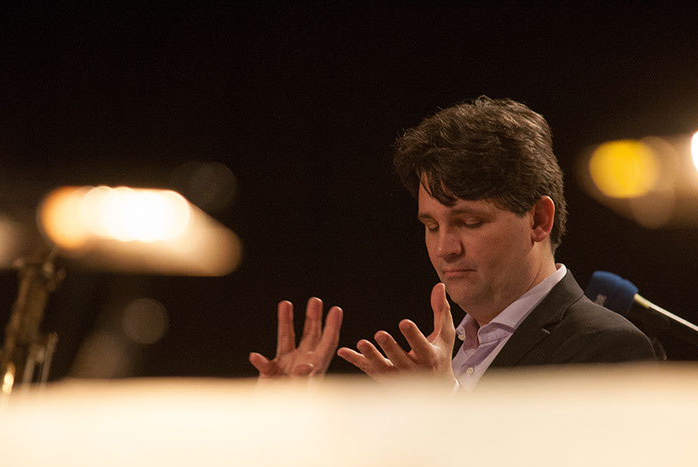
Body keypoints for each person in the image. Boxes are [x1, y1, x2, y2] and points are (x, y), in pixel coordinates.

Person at [249, 97, 655, 389]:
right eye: (431, 226)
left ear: (538, 220)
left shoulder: (606, 347)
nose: (445, 248)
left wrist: (443, 408)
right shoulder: (440, 358)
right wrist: (293, 417)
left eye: (469, 222)